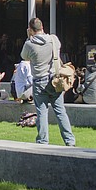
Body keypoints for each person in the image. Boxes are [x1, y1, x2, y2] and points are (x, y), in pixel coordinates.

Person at [20, 17, 75, 146]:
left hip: (39, 81)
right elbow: (58, 48)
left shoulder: (29, 43)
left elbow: (24, 56)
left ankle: (43, 140)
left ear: (31, 30)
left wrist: (29, 37)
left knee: (41, 112)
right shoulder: (53, 39)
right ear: (42, 27)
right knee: (60, 111)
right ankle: (69, 140)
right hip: (55, 79)